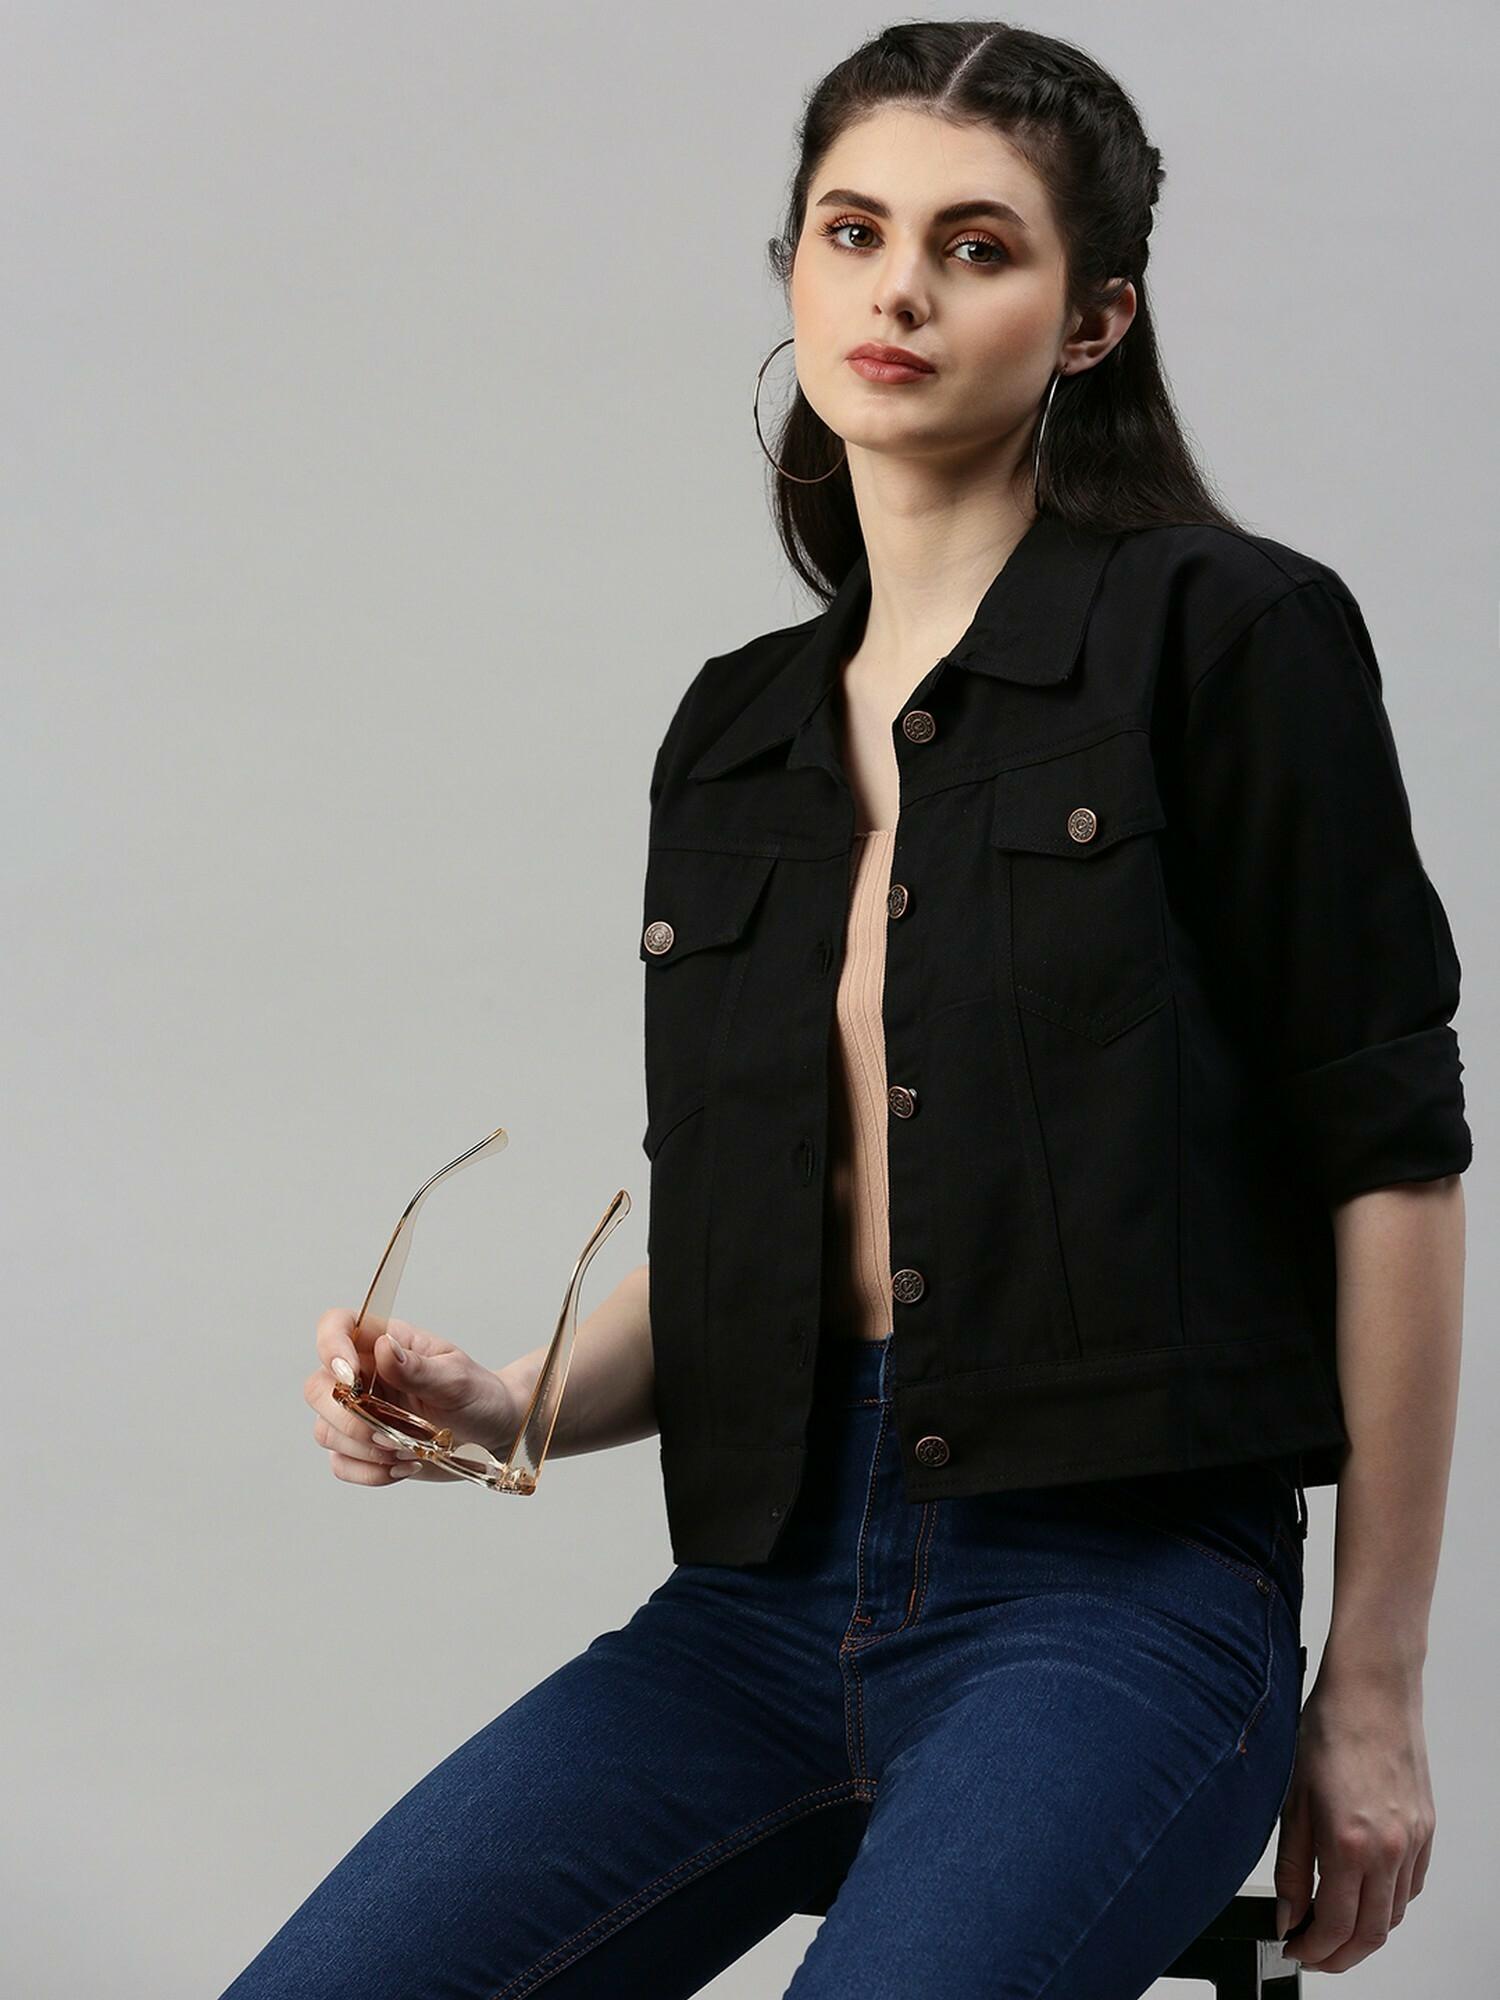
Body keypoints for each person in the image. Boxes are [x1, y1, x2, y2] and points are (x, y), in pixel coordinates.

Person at [220, 21, 1471, 1998]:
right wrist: (507, 1401)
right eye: (853, 231)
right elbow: (764, 1236)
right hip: (754, 1606)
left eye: (977, 246)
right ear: (796, 270)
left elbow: (1389, 1164)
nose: (898, 289)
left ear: (1092, 319)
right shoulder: (735, 733)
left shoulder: (1226, 635)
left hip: (1116, 1603)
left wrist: (1374, 1686)